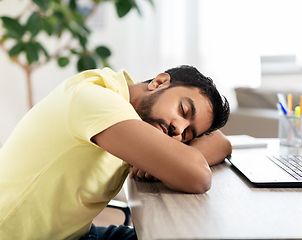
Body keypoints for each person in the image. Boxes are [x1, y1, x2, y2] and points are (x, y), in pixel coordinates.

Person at [0, 65, 231, 240]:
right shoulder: (96, 100)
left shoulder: (129, 107)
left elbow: (221, 142)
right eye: (183, 110)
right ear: (159, 82)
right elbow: (198, 176)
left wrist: (168, 159)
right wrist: (174, 161)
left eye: (188, 135)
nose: (178, 129)